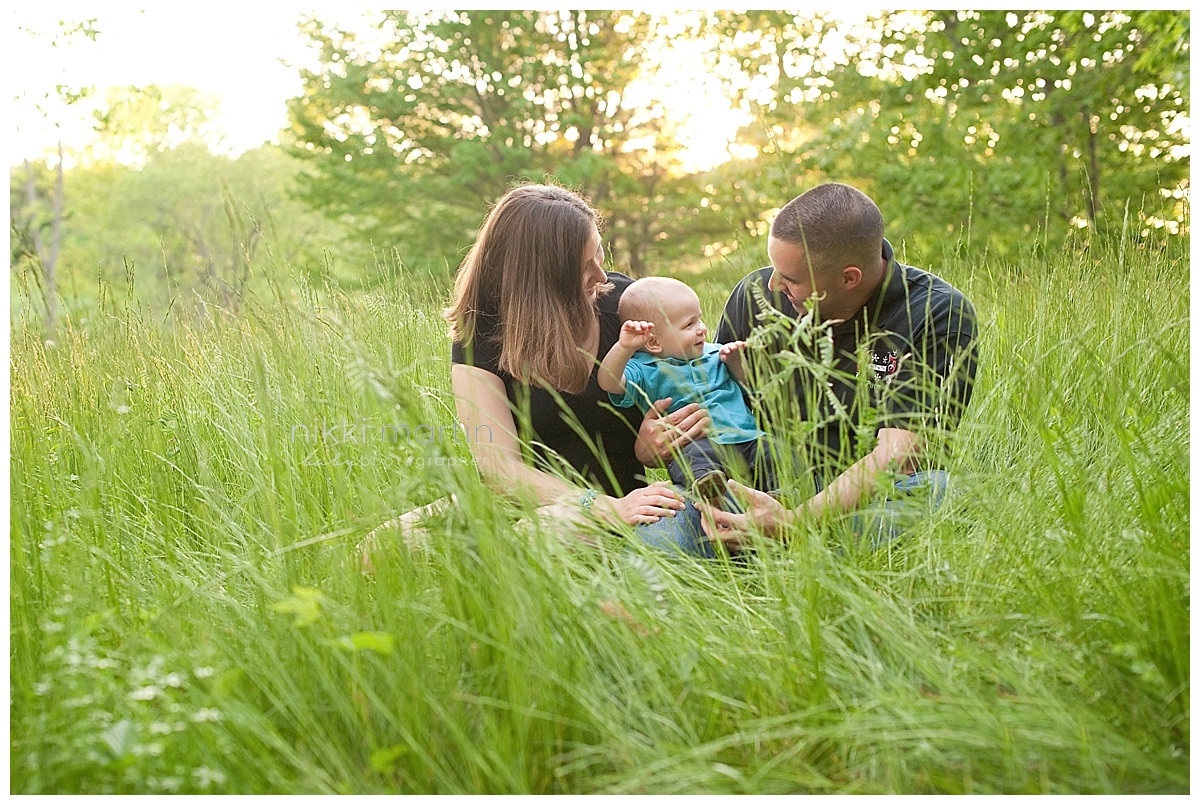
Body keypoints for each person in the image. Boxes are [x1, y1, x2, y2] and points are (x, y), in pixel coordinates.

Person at [691, 182, 979, 550]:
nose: (774, 284)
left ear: (848, 278)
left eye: (791, 279)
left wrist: (794, 523)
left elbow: (901, 456)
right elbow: (715, 400)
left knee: (939, 491)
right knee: (663, 525)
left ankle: (797, 556)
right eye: (774, 269)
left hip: (861, 500)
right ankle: (755, 550)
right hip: (761, 485)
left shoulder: (935, 313)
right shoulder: (756, 295)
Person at [441, 183, 712, 541]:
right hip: (524, 499)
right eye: (583, 267)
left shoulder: (626, 309)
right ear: (538, 276)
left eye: (599, 255)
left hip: (617, 506)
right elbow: (499, 468)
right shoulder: (481, 330)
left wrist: (651, 452)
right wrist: (595, 504)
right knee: (380, 547)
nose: (601, 276)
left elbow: (699, 383)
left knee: (530, 540)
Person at [597, 276, 778, 503]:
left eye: (699, 319)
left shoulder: (716, 354)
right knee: (692, 457)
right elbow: (608, 381)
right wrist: (623, 347)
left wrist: (736, 364)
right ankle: (708, 487)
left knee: (775, 450)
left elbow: (747, 385)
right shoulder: (646, 369)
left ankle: (781, 495)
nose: (702, 329)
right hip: (701, 442)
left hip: (748, 436)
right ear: (654, 343)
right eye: (689, 325)